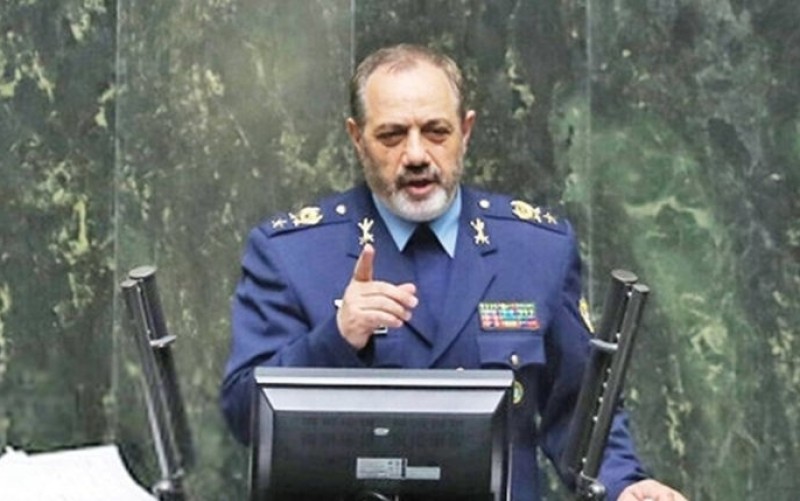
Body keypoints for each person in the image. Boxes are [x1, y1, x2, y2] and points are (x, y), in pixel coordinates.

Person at [221, 43, 687, 501]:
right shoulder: (291, 254)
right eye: (392, 135)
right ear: (357, 138)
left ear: (466, 131)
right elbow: (244, 416)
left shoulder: (537, 249)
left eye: (436, 132)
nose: (416, 154)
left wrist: (624, 485)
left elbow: (580, 412)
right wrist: (335, 339)